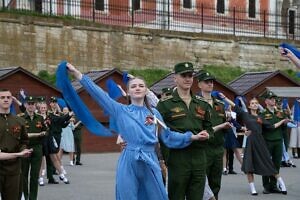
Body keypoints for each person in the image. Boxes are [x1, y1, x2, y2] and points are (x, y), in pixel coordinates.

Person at [65, 62, 210, 200]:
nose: (138, 88)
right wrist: (77, 74)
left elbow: (167, 136)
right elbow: (98, 94)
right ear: (128, 91)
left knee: (156, 196)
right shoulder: (120, 110)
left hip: (150, 160)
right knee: (128, 195)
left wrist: (192, 137)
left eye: (141, 86)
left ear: (145, 90)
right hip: (129, 160)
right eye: (133, 86)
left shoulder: (154, 113)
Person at [156, 62, 214, 200]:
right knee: (176, 196)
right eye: (184, 75)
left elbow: (209, 129)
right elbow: (160, 133)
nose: (188, 79)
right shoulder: (165, 104)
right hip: (177, 158)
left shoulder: (202, 103)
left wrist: (207, 135)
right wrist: (161, 159)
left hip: (199, 157)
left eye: (190, 75)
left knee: (197, 196)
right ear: (175, 78)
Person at [222, 94, 288, 195]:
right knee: (249, 165)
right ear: (249, 106)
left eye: (256, 103)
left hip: (260, 141)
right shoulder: (245, 114)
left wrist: (283, 120)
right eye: (252, 103)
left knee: (268, 162)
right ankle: (253, 189)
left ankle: (282, 184)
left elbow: (271, 126)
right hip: (251, 142)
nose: (254, 104)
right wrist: (225, 98)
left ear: (258, 105)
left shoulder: (261, 117)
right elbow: (235, 106)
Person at [196, 70, 232, 199]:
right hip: (203, 149)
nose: (210, 84)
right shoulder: (195, 103)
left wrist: (228, 124)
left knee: (215, 183)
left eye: (211, 82)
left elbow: (224, 125)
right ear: (199, 84)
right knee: (201, 183)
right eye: (206, 82)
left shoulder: (220, 104)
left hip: (217, 148)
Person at [0, 89, 31, 200]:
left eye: (8, 97)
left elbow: (24, 141)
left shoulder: (19, 121)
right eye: (2, 97)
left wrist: (23, 150)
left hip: (14, 168)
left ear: (12, 100)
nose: (5, 100)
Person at [18, 96, 47, 200]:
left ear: (35, 106)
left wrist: (44, 133)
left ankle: (33, 198)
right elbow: (19, 135)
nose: (31, 106)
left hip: (37, 148)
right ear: (26, 105)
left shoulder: (39, 118)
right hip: (25, 148)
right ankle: (25, 196)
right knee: (24, 175)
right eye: (29, 104)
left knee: (35, 176)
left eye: (32, 104)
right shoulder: (20, 117)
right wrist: (36, 134)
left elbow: (46, 131)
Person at [260, 91, 289, 194]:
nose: (273, 100)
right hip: (267, 141)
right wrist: (281, 122)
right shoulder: (263, 113)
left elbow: (284, 128)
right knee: (266, 163)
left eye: (274, 98)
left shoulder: (280, 112)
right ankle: (266, 186)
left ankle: (273, 185)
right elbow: (268, 127)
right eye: (271, 98)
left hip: (278, 141)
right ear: (266, 101)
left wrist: (285, 123)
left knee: (276, 164)